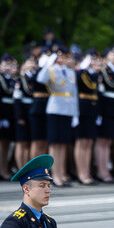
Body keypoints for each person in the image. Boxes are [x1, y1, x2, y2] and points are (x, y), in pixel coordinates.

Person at [35, 47, 78, 186]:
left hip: (67, 109)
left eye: (65, 57)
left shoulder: (70, 71)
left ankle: (61, 173)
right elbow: (40, 79)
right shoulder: (51, 70)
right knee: (54, 143)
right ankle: (55, 175)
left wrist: (75, 113)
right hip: (55, 108)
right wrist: (48, 64)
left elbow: (74, 93)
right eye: (59, 57)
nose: (62, 59)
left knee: (63, 143)